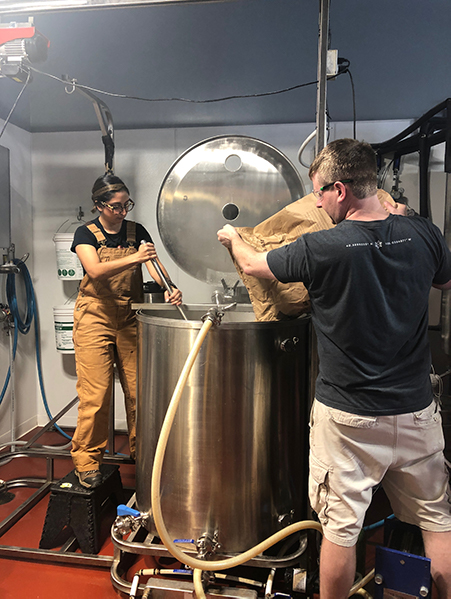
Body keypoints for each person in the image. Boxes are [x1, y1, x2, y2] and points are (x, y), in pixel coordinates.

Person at [217, 139, 451, 599]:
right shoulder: (423, 233)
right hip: (416, 411)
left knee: (341, 529)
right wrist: (406, 222)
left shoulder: (322, 246)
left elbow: (253, 264)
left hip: (348, 419)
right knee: (437, 521)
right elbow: (445, 280)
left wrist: (232, 237)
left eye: (320, 193)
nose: (318, 204)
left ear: (340, 190)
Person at [71, 173, 182, 489]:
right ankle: (87, 462)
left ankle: (143, 455)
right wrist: (135, 256)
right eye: (116, 206)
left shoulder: (137, 231)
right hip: (94, 316)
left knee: (139, 391)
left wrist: (170, 286)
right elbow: (95, 270)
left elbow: (154, 266)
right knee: (96, 394)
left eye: (126, 205)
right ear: (99, 205)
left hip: (129, 315)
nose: (122, 211)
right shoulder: (85, 233)